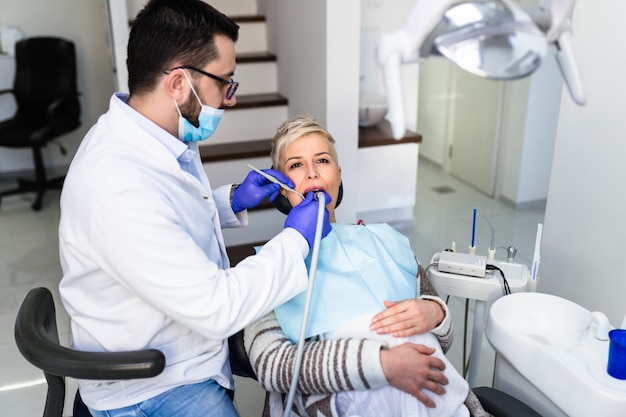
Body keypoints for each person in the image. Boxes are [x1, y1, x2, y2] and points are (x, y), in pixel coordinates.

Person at [57, 2, 331, 416]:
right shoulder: (116, 185)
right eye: (225, 83)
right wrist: (296, 239)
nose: (230, 98)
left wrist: (230, 201)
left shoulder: (153, 134)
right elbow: (217, 308)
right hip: (152, 387)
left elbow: (168, 219)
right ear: (179, 84)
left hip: (177, 340)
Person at [244, 115, 487, 417]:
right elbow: (271, 365)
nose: (311, 174)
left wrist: (436, 312)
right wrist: (383, 365)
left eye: (322, 160)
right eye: (296, 165)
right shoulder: (265, 267)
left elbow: (443, 339)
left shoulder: (384, 241)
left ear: (339, 175)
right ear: (282, 188)